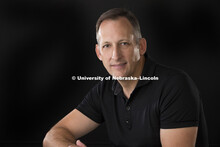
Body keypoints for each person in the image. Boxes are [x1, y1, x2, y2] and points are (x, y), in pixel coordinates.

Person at [43, 8, 208, 147]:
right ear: (99, 53)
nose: (115, 55)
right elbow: (52, 136)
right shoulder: (104, 91)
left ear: (141, 46)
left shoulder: (174, 86)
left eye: (124, 43)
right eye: (107, 46)